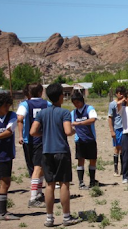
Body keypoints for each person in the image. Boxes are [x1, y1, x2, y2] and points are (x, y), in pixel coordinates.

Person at [30, 83, 81, 227]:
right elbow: (67, 131)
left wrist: (44, 133)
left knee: (49, 185)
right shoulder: (64, 113)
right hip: (61, 151)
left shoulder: (42, 113)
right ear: (60, 97)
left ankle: (49, 218)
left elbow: (33, 132)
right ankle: (66, 217)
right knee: (64, 184)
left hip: (46, 152)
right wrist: (73, 130)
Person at [16, 83, 52, 208]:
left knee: (36, 167)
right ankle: (33, 198)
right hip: (42, 139)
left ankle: (39, 193)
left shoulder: (25, 104)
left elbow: (19, 118)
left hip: (28, 140)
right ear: (41, 92)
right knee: (38, 168)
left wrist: (20, 135)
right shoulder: (46, 104)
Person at [70, 92, 98, 190]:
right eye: (74, 103)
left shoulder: (89, 109)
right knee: (80, 160)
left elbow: (93, 119)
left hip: (90, 139)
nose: (76, 105)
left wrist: (79, 123)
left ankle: (92, 180)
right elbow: (72, 126)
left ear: (82, 101)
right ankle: (81, 182)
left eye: (77, 102)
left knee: (93, 160)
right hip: (79, 140)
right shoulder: (73, 113)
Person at [0, 93, 19, 220]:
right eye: (4, 105)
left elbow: (9, 131)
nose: (7, 107)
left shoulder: (12, 116)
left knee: (5, 182)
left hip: (5, 154)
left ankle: (2, 211)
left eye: (8, 105)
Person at [108, 86, 126, 177]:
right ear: (117, 94)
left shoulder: (125, 102)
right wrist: (112, 130)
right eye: (120, 93)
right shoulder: (112, 104)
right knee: (117, 148)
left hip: (125, 127)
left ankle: (123, 169)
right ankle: (115, 169)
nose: (122, 94)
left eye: (123, 92)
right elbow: (110, 118)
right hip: (117, 128)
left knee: (123, 148)